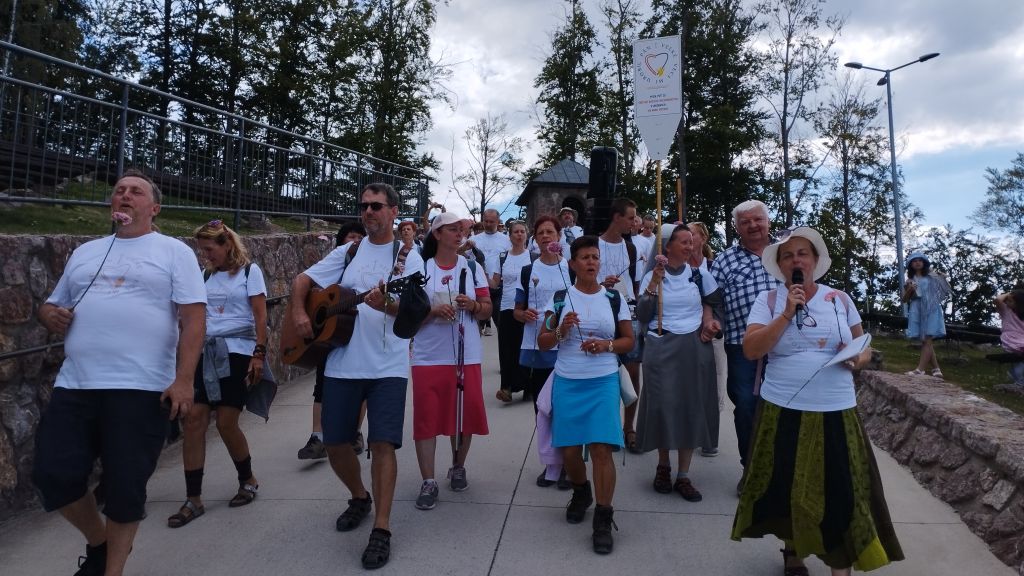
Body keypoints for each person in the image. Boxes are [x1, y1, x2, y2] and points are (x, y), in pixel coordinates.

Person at [34, 170, 207, 576]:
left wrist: (184, 380)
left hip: (141, 387)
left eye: (136, 192)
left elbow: (194, 320)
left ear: (154, 207)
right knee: (53, 475)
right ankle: (100, 545)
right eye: (119, 191)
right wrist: (49, 315)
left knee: (125, 488)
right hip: (77, 384)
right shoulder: (86, 252)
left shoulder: (174, 252)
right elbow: (51, 304)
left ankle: (112, 570)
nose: (125, 195)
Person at [731, 226, 904, 575]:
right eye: (788, 255)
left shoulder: (839, 299)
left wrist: (857, 359)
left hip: (835, 408)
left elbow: (864, 348)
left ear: (814, 260)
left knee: (842, 489)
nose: (796, 260)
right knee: (786, 486)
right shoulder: (768, 301)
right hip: (782, 408)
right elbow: (751, 350)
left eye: (802, 254)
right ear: (780, 264)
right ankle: (793, 551)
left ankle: (840, 564)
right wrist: (786, 313)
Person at [289, 183, 425, 569]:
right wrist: (299, 312)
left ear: (394, 211)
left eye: (376, 206)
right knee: (335, 443)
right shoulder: (349, 251)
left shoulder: (408, 257)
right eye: (364, 206)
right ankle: (359, 497)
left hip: (387, 366)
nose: (368, 212)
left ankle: (381, 529)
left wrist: (387, 305)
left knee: (382, 445)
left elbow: (414, 313)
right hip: (341, 362)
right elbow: (302, 281)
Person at [167, 220, 267, 528]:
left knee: (226, 421)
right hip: (206, 351)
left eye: (209, 249)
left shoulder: (250, 272)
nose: (205, 255)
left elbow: (260, 315)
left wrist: (259, 354)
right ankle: (193, 498)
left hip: (238, 352)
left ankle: (247, 479)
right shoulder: (204, 275)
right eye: (202, 250)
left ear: (227, 245)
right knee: (194, 420)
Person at [538, 235, 634, 555]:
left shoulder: (613, 298)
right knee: (569, 452)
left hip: (603, 380)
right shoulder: (559, 299)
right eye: (585, 257)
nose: (591, 262)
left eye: (595, 257)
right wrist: (561, 330)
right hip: (568, 381)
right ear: (572, 263)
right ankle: (581, 492)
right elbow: (543, 342)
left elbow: (629, 340)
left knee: (601, 448)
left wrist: (606, 345)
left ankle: (603, 518)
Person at [411, 212, 492, 510]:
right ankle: (428, 480)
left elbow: (487, 308)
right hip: (428, 355)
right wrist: (433, 311)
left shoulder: (472, 268)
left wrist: (473, 305)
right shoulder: (421, 268)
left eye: (462, 230)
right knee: (427, 418)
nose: (459, 234)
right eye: (453, 229)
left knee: (463, 415)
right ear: (437, 234)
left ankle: (458, 466)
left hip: (465, 353)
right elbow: (408, 314)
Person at [635, 224, 721, 503]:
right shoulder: (652, 275)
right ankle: (663, 466)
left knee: (690, 406)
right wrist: (653, 283)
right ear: (666, 246)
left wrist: (710, 322)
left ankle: (684, 474)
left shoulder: (699, 275)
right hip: (661, 344)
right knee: (662, 405)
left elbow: (715, 303)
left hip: (693, 346)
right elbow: (643, 314)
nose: (689, 246)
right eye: (683, 242)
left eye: (691, 241)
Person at [710, 200, 780, 494]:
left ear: (768, 222)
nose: (752, 226)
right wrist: (711, 322)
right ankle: (751, 470)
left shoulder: (785, 252)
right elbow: (712, 300)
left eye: (757, 220)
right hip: (742, 344)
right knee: (747, 406)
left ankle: (782, 471)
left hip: (785, 346)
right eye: (745, 222)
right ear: (737, 228)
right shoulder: (725, 260)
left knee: (784, 406)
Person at [297, 221, 366, 461]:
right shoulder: (335, 262)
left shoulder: (368, 265)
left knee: (361, 386)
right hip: (329, 332)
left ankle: (355, 433)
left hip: (355, 331)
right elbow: (310, 286)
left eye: (359, 237)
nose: (355, 241)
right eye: (350, 237)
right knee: (321, 385)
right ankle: (317, 437)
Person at [514, 215, 571, 487]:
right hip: (537, 347)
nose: (546, 236)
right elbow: (516, 310)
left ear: (559, 236)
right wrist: (524, 314)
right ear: (535, 239)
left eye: (550, 232)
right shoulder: (528, 270)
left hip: (567, 347)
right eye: (541, 233)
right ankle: (551, 463)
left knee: (565, 408)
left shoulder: (570, 269)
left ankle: (569, 463)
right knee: (543, 408)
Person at [597, 198, 641, 453]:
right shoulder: (595, 244)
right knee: (603, 371)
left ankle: (629, 427)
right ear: (617, 217)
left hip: (628, 311)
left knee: (633, 370)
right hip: (602, 310)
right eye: (630, 217)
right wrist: (601, 285)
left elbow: (635, 283)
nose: (634, 222)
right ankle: (608, 426)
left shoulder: (631, 248)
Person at [688, 221, 727, 458]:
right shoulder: (678, 268)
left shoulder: (714, 266)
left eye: (693, 234)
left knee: (715, 382)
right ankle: (692, 432)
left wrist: (716, 325)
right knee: (690, 383)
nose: (689, 238)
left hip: (713, 332)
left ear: (703, 238)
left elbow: (722, 300)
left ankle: (710, 437)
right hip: (687, 331)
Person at [494, 220, 533, 402]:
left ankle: (527, 386)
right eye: (515, 232)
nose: (519, 234)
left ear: (526, 234)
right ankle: (506, 387)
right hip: (506, 306)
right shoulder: (503, 257)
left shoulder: (533, 257)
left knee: (523, 347)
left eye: (522, 231)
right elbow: (495, 282)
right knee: (506, 349)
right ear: (509, 236)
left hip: (525, 307)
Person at [902, 252, 949, 378]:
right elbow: (904, 299)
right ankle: (936, 369)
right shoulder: (910, 281)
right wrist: (910, 289)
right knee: (926, 340)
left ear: (924, 262)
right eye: (914, 261)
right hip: (917, 310)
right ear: (911, 265)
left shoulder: (931, 276)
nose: (917, 263)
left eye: (920, 260)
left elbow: (944, 287)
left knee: (926, 339)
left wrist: (942, 277)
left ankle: (920, 370)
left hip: (931, 308)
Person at [472, 209, 511, 336]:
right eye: (486, 221)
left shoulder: (506, 240)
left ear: (498, 222)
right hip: (478, 287)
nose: (488, 224)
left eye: (491, 221)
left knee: (502, 326)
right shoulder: (474, 239)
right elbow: (460, 256)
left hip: (498, 288)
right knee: (475, 328)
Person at [996, 289, 1024, 391]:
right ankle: (1019, 382)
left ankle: (1016, 377)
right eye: (1007, 300)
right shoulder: (1006, 311)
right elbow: (998, 299)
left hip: (1021, 340)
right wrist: (1009, 293)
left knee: (1020, 361)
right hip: (1011, 341)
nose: (1007, 302)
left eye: (1010, 301)